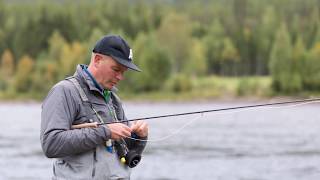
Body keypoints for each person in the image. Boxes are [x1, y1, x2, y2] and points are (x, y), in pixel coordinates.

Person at [40, 35, 148, 180]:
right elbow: (51, 144)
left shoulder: (113, 98)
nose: (120, 77)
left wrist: (139, 137)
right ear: (97, 60)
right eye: (116, 69)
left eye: (123, 72)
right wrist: (105, 132)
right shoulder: (64, 91)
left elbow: (128, 152)